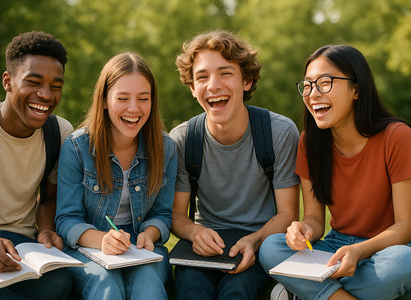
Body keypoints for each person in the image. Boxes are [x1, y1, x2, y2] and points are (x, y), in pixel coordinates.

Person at [259, 45, 411, 299]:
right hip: (334, 248)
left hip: (384, 250)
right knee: (270, 247)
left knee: (403, 261)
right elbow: (316, 220)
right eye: (307, 86)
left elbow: (406, 226)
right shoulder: (310, 142)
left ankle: (309, 292)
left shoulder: (397, 137)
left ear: (356, 89)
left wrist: (360, 251)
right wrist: (302, 229)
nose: (313, 94)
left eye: (325, 83)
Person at [169, 30, 300, 299]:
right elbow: (177, 215)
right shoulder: (182, 139)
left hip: (258, 241)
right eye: (202, 77)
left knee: (237, 292)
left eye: (225, 73)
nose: (213, 85)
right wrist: (194, 232)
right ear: (193, 88)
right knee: (190, 290)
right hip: (203, 245)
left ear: (247, 81)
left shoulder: (279, 132)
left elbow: (288, 214)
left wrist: (254, 240)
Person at [55, 52, 177, 300]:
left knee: (148, 285)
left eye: (144, 98)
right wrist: (102, 240)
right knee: (107, 285)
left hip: (142, 250)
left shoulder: (166, 148)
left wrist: (149, 234)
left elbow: (163, 214)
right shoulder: (77, 147)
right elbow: (66, 219)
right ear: (104, 100)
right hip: (89, 248)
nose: (134, 108)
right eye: (122, 98)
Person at [0, 31, 73, 299]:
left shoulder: (60, 133)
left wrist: (46, 230)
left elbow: (47, 198)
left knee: (60, 283)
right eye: (33, 82)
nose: (45, 95)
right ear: (7, 81)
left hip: (23, 246)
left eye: (55, 86)